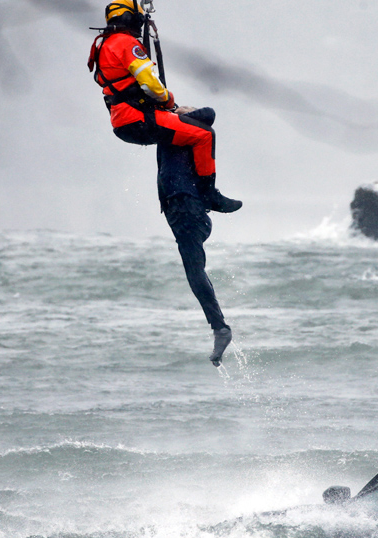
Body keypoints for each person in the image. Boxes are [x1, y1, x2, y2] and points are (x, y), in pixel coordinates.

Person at [88, 0, 240, 365]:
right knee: (202, 137)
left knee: (197, 127)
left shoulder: (106, 45)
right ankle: (209, 192)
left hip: (127, 121)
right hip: (137, 120)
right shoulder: (126, 44)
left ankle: (207, 191)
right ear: (132, 20)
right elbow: (149, 80)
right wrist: (170, 102)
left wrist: (170, 110)